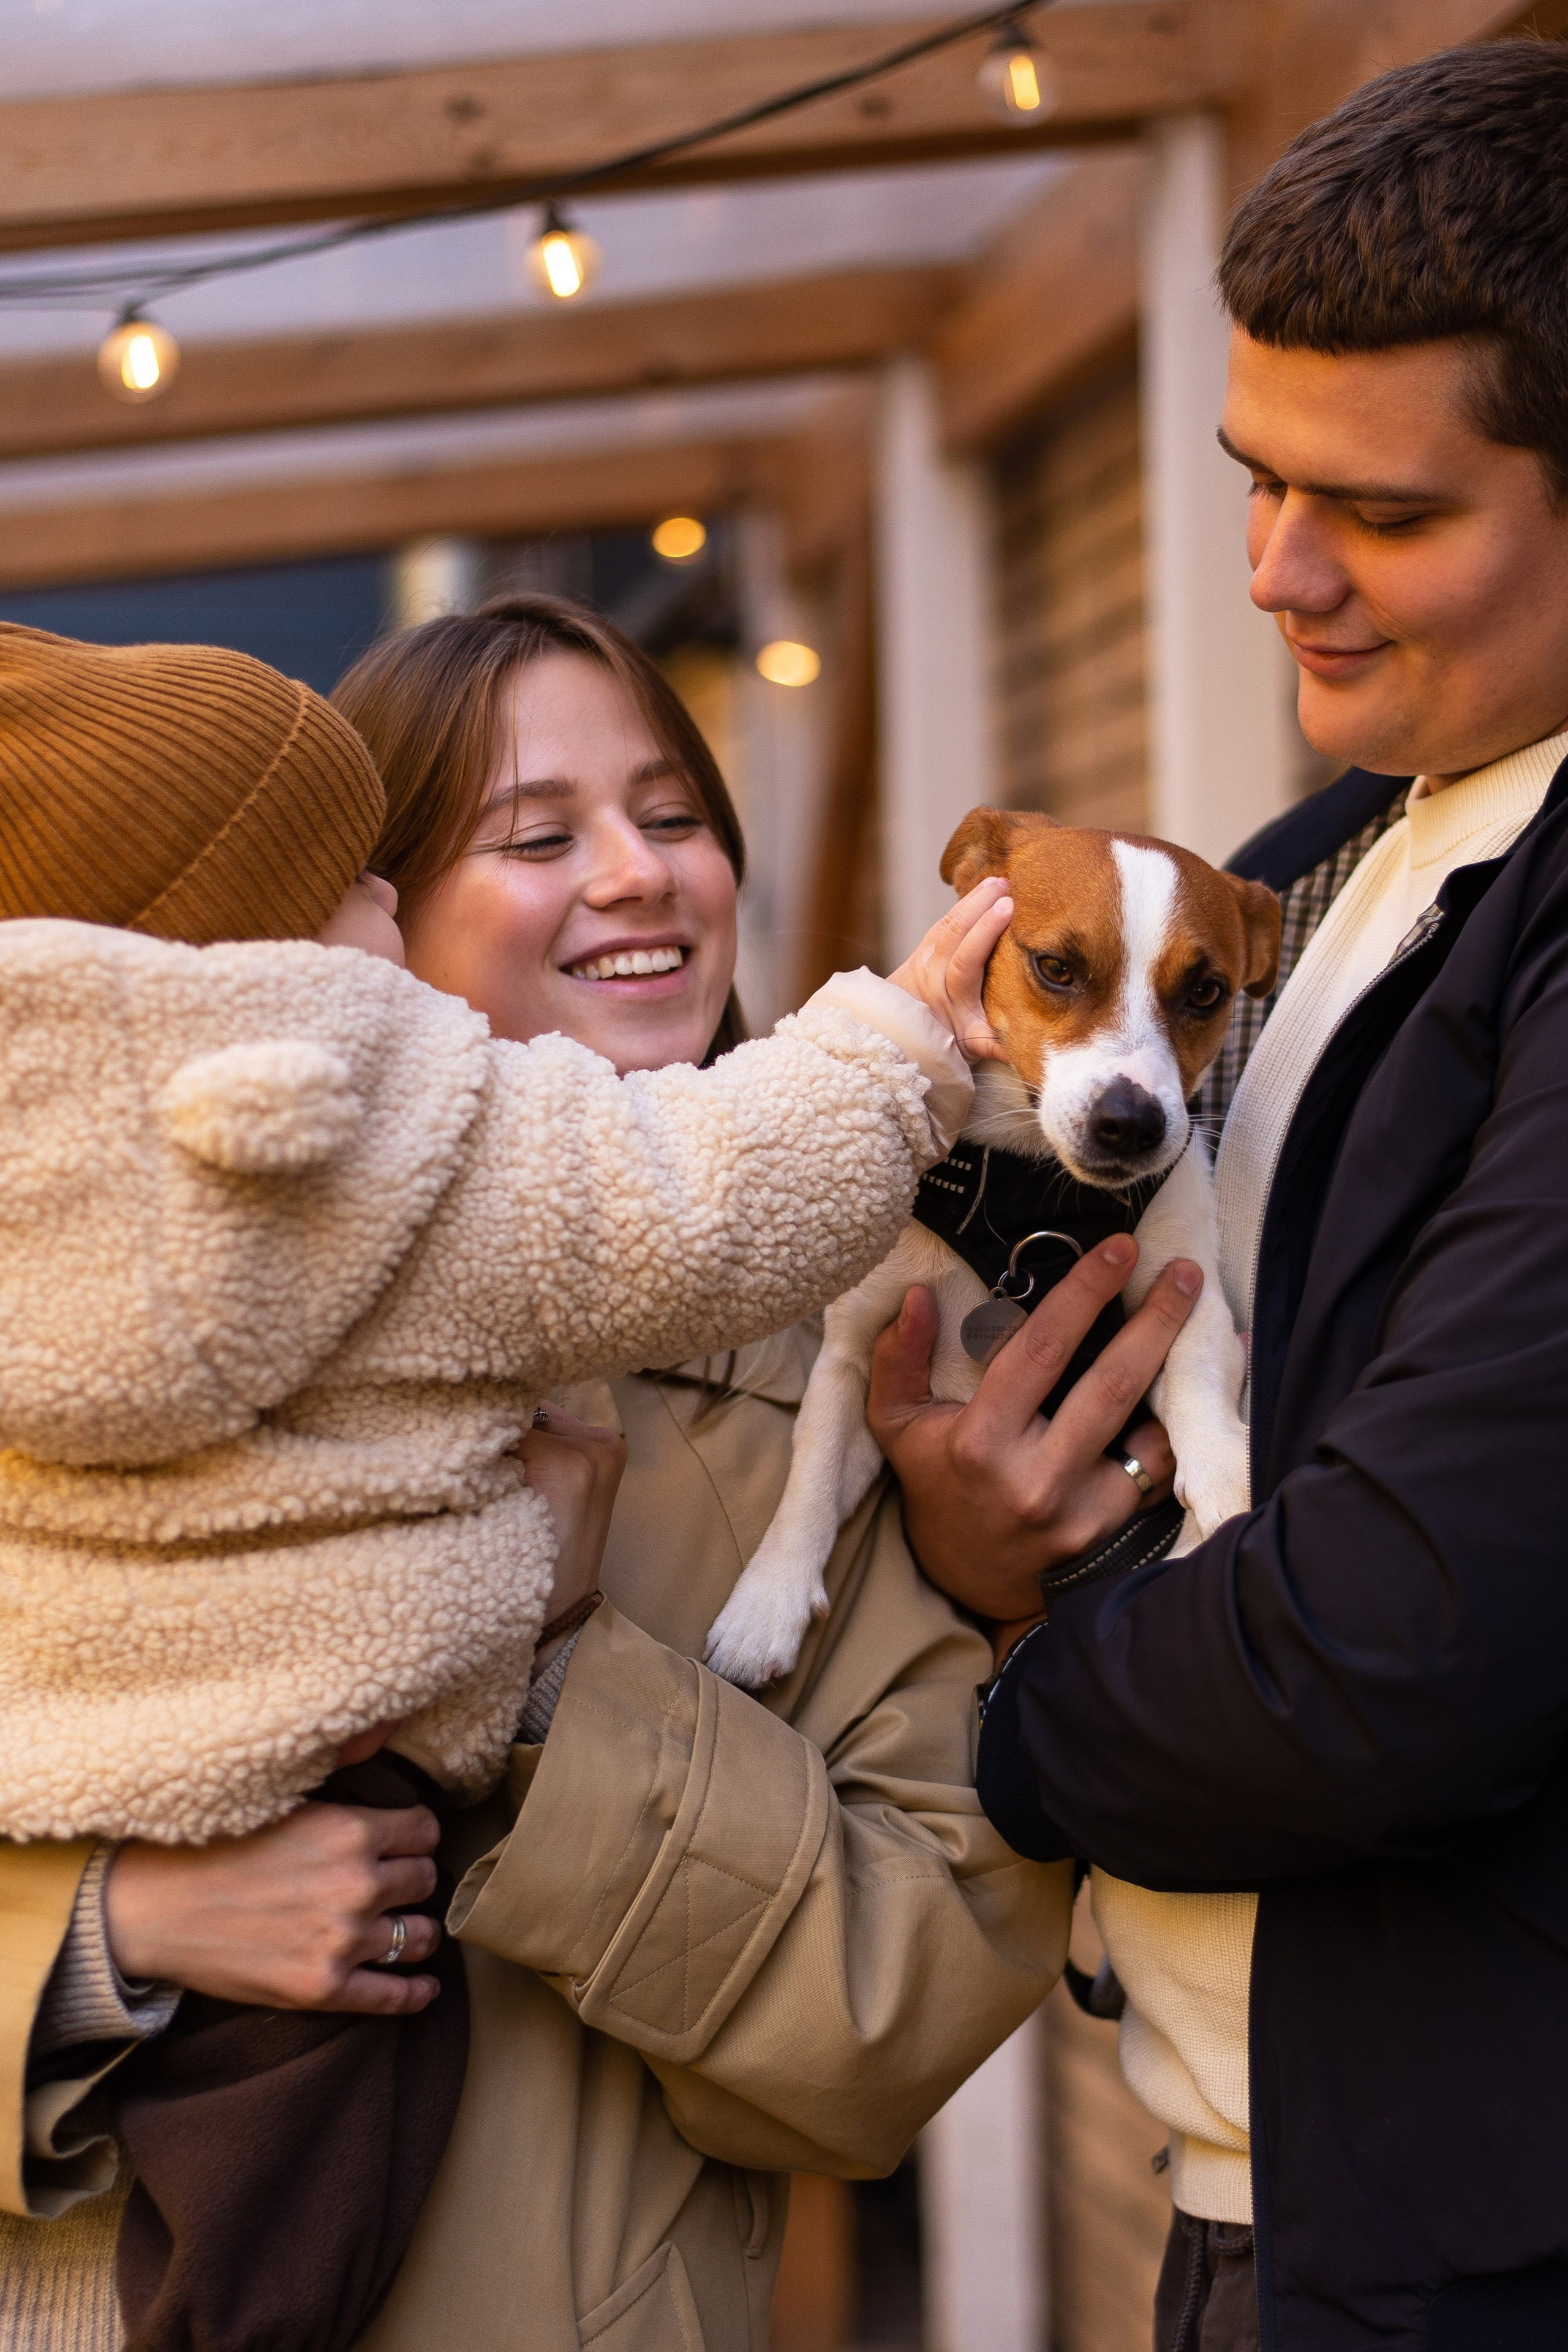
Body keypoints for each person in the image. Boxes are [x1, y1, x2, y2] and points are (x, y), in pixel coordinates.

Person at [0, 600, 1070, 2348]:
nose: (641, 874)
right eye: (539, 837)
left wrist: (556, 1678)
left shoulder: (858, 1399)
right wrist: (115, 1936)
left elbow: (903, 2020)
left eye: (673, 815)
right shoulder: (82, 1350)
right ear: (352, 924)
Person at [861, 39, 1568, 2352]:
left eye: (1381, 510)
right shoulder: (1301, 873)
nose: (1279, 573)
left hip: (1473, 2227)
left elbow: (1400, 1638)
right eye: (1258, 479)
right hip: (1250, 2178)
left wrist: (1001, 1676)